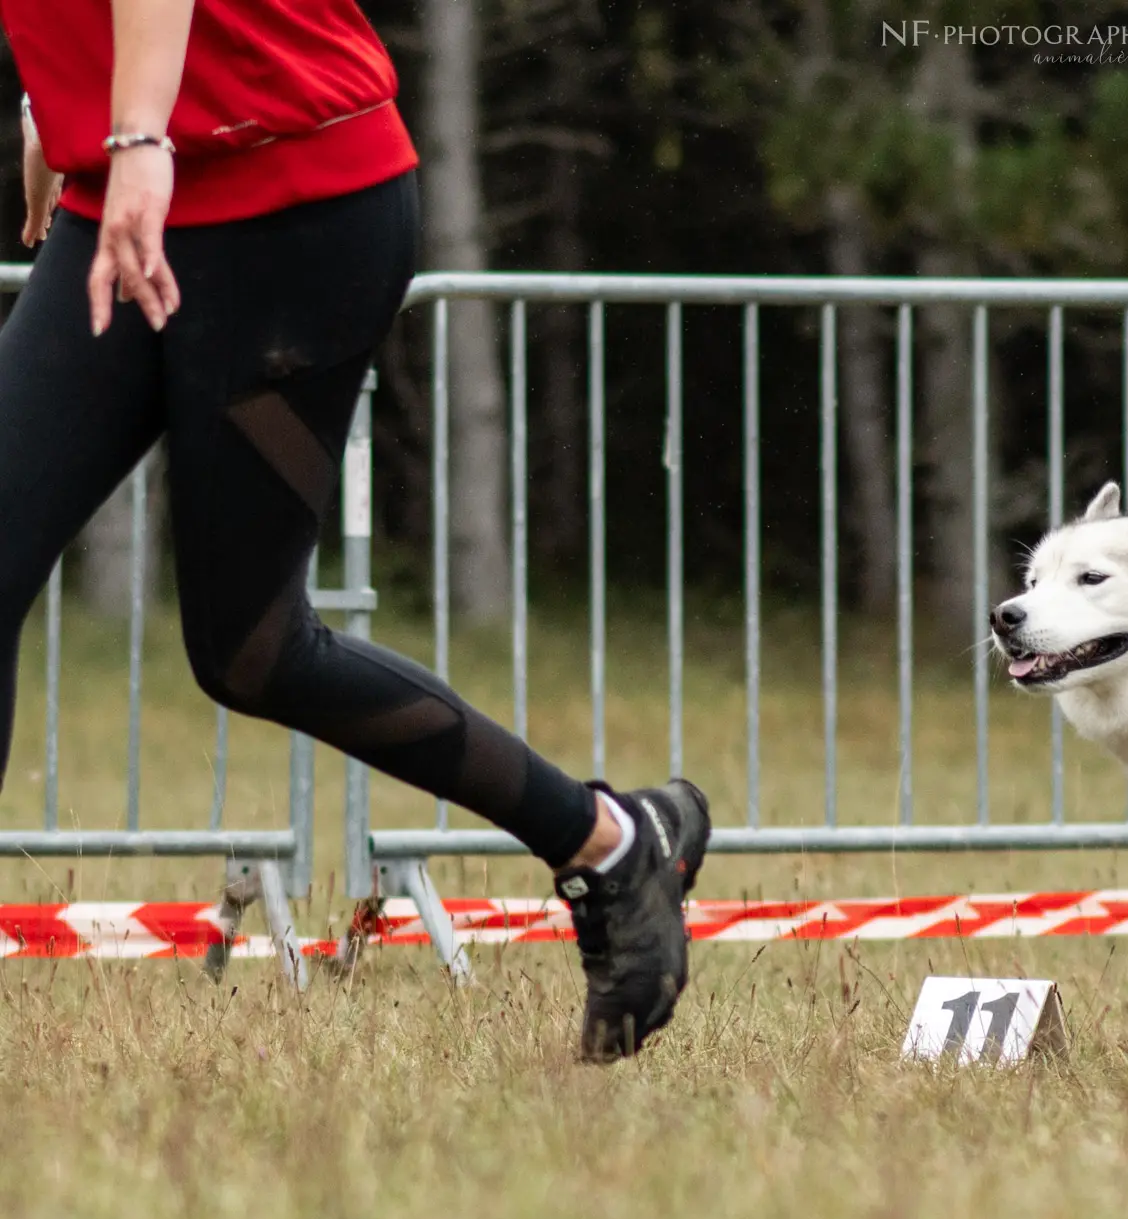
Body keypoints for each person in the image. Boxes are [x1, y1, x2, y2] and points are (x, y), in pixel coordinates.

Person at [0, 0, 708, 1062]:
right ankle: (615, 846)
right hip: (121, 189)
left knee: (252, 652)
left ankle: (607, 846)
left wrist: (139, 129)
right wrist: (54, 103)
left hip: (290, 205)